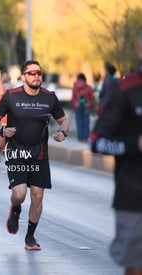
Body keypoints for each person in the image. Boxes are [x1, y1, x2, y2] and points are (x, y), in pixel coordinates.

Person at [0, 60, 70, 250]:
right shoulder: (11, 96)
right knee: (19, 194)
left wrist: (63, 132)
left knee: (38, 196)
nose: (36, 76)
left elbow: (64, 120)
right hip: (17, 152)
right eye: (32, 73)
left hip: (39, 153)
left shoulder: (49, 97)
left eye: (39, 73)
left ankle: (30, 237)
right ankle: (15, 208)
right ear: (23, 76)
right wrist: (2, 129)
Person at [89, 27, 142, 275]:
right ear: (139, 50)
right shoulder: (125, 88)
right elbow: (97, 142)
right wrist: (134, 145)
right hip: (134, 196)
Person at [71, 73, 95, 142]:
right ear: (85, 79)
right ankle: (86, 138)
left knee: (79, 122)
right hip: (86, 106)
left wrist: (75, 104)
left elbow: (73, 98)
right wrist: (88, 102)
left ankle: (80, 138)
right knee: (86, 122)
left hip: (77, 105)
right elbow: (92, 97)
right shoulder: (88, 87)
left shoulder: (75, 87)